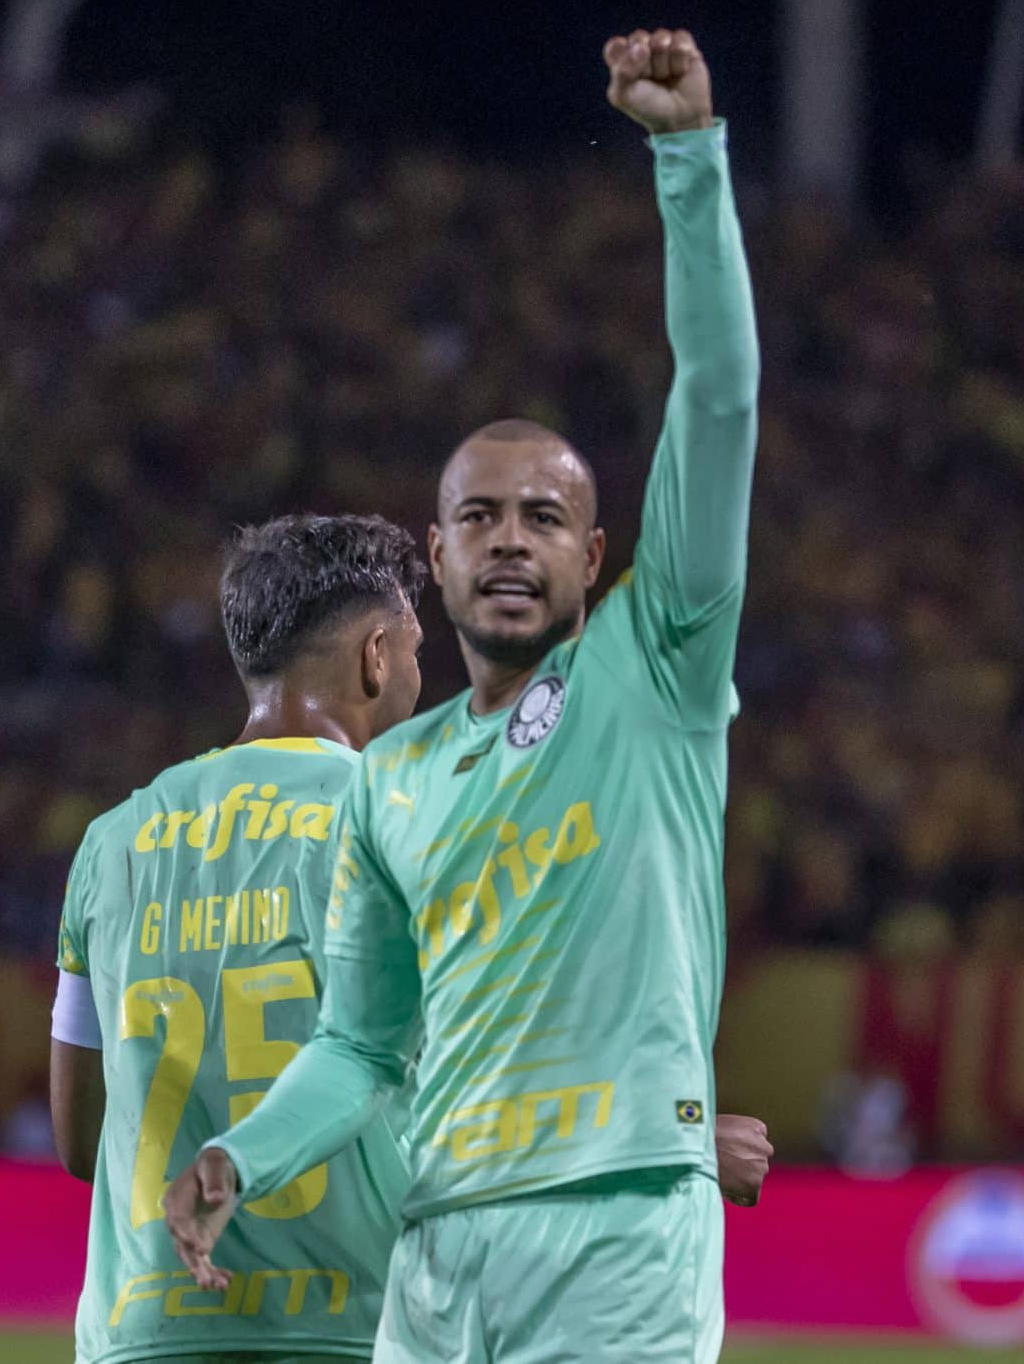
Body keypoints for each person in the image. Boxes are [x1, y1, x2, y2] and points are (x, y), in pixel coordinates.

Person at [165, 27, 762, 1362]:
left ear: (594, 558)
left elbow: (720, 399)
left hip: (617, 1241)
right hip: (437, 1255)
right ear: (430, 559)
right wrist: (238, 1158)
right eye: (478, 517)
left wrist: (687, 159)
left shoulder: (655, 666)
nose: (509, 539)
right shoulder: (391, 778)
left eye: (544, 518)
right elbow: (363, 1049)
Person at [51, 513, 771, 1364]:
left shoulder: (113, 840)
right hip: (361, 1324)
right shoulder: (415, 823)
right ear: (375, 655)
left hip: (141, 1330)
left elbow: (77, 1135)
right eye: (416, 648)